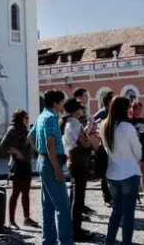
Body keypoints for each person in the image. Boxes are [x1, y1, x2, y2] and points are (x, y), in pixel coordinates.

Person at [32, 89, 73, 245]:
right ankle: (66, 241)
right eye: (61, 102)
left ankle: (48, 241)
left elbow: (30, 137)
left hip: (43, 161)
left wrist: (40, 152)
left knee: (48, 207)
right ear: (55, 103)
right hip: (51, 163)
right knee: (62, 206)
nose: (62, 105)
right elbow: (49, 143)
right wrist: (56, 168)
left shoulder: (41, 116)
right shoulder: (50, 118)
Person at [100, 96, 142, 245]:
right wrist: (133, 160)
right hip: (129, 172)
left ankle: (109, 241)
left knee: (116, 211)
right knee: (128, 214)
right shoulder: (127, 127)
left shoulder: (103, 125)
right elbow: (137, 150)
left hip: (112, 173)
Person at [61, 98, 98, 241]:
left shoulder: (69, 123)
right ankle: (76, 231)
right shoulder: (74, 124)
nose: (82, 110)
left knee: (76, 197)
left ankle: (74, 228)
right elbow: (85, 143)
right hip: (79, 163)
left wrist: (89, 126)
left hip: (73, 163)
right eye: (80, 108)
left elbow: (81, 137)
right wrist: (93, 140)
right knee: (78, 199)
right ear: (75, 110)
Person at [0, 109, 38, 229]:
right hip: (17, 165)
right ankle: (11, 221)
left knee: (26, 192)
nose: (27, 119)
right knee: (15, 193)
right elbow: (3, 145)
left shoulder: (25, 130)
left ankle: (26, 218)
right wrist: (15, 151)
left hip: (26, 164)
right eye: (25, 117)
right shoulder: (12, 129)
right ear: (20, 118)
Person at [71, 88, 97, 217]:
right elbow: (82, 133)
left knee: (79, 185)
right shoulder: (76, 112)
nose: (87, 97)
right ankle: (76, 210)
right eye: (85, 95)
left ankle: (80, 206)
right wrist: (91, 124)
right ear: (80, 96)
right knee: (77, 185)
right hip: (78, 153)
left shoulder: (80, 111)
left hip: (80, 152)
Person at [93, 90, 114, 206]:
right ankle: (107, 198)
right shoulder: (102, 113)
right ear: (108, 101)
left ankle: (113, 195)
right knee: (104, 173)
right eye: (112, 98)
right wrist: (99, 137)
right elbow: (92, 124)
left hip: (113, 146)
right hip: (104, 147)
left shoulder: (113, 113)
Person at [130, 101, 144, 204]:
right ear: (132, 109)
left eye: (140, 109)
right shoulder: (129, 121)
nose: (139, 111)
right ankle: (136, 195)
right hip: (134, 150)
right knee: (136, 174)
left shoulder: (143, 120)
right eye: (137, 109)